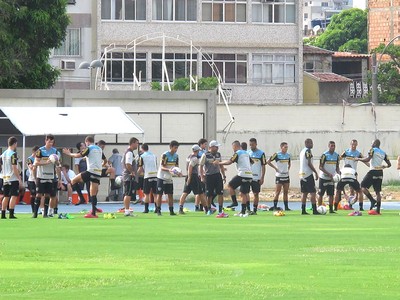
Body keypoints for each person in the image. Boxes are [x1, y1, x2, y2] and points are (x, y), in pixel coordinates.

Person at [63, 136, 103, 218]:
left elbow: (78, 155)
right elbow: (104, 160)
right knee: (93, 193)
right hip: (98, 172)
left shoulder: (89, 148)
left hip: (90, 171)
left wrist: (68, 154)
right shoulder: (99, 149)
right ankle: (93, 213)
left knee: (73, 181)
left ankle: (82, 199)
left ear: (87, 142)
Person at [215, 140, 253, 217]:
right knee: (244, 193)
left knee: (230, 186)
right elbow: (252, 162)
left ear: (235, 146)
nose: (233, 149)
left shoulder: (238, 153)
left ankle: (234, 202)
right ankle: (242, 212)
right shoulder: (246, 153)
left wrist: (218, 163)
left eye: (233, 147)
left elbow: (229, 162)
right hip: (249, 175)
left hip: (242, 174)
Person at [356, 139, 391, 214]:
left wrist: (358, 159)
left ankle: (372, 200)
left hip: (373, 171)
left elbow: (367, 159)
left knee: (362, 186)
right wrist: (384, 166)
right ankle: (378, 210)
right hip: (380, 172)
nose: (371, 144)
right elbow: (389, 164)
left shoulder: (372, 150)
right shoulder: (383, 153)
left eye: (372, 142)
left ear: (375, 143)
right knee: (377, 192)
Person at [33, 134, 62, 218]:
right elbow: (36, 163)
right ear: (45, 141)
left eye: (52, 142)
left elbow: (58, 165)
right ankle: (35, 213)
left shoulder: (55, 152)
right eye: (49, 141)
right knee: (38, 195)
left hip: (50, 176)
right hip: (41, 176)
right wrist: (46, 162)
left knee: (48, 195)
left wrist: (56, 162)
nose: (50, 143)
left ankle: (45, 214)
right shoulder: (40, 151)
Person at [199, 140, 228, 218]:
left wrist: (224, 175)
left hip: (217, 175)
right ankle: (209, 209)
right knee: (209, 194)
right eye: (216, 147)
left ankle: (220, 210)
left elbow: (221, 165)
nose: (217, 148)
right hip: (209, 176)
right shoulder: (205, 155)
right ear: (211, 147)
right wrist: (202, 176)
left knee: (220, 193)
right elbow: (201, 166)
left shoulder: (218, 154)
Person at [179, 144, 208, 215]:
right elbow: (190, 167)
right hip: (193, 177)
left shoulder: (189, 157)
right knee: (201, 193)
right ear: (197, 150)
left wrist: (188, 177)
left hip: (189, 176)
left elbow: (188, 167)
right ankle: (207, 209)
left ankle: (180, 208)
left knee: (185, 192)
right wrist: (190, 177)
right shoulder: (195, 158)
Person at [340, 139, 368, 208]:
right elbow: (339, 158)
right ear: (350, 144)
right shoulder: (346, 152)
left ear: (356, 145)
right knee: (341, 188)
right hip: (345, 173)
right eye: (352, 144)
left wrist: (371, 166)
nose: (353, 146)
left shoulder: (358, 153)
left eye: (355, 145)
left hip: (353, 173)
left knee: (354, 189)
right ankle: (347, 203)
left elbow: (365, 160)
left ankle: (357, 206)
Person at [156, 140, 181, 216]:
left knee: (170, 194)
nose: (176, 149)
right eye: (175, 148)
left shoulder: (176, 156)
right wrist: (169, 170)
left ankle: (171, 211)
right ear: (171, 147)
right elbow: (162, 167)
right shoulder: (165, 155)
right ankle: (158, 210)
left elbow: (176, 167)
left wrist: (178, 173)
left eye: (177, 148)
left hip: (169, 177)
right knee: (159, 194)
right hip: (161, 177)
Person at [1, 136, 22, 219]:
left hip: (5, 177)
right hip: (13, 178)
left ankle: (3, 214)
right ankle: (11, 213)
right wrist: (19, 178)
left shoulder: (3, 154)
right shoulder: (13, 154)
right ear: (15, 143)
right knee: (13, 195)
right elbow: (14, 167)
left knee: (6, 196)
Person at [267, 142, 291, 211]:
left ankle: (286, 207)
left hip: (286, 175)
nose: (286, 148)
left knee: (286, 192)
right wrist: (276, 168)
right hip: (279, 176)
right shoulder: (277, 154)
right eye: (285, 147)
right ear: (281, 147)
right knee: (277, 192)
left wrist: (288, 169)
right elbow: (268, 161)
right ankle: (275, 206)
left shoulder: (288, 155)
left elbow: (289, 163)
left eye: (287, 147)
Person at [318, 141, 340, 214]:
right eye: (331, 146)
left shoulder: (337, 155)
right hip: (323, 177)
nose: (333, 147)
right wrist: (328, 173)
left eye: (334, 146)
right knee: (321, 194)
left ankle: (331, 209)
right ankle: (319, 208)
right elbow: (320, 167)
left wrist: (338, 173)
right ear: (328, 146)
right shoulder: (324, 155)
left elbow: (337, 166)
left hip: (332, 178)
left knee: (331, 194)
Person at [299, 138, 320, 215]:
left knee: (304, 193)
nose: (312, 144)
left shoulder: (302, 151)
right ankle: (314, 210)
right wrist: (315, 172)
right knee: (313, 192)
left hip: (301, 174)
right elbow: (309, 163)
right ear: (307, 143)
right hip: (307, 174)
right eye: (311, 143)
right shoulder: (308, 151)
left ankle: (303, 210)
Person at [247, 138, 266, 215]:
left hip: (257, 177)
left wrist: (262, 177)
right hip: (248, 176)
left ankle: (254, 210)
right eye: (250, 145)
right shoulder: (247, 153)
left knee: (256, 194)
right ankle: (247, 209)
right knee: (246, 193)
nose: (251, 146)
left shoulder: (261, 153)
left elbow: (263, 166)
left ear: (256, 144)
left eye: (252, 144)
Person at [137, 143, 157, 213]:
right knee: (155, 194)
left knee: (146, 194)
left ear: (142, 149)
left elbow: (140, 168)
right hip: (155, 175)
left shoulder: (142, 156)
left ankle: (146, 209)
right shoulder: (154, 155)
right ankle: (157, 208)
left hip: (147, 176)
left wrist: (136, 175)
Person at [121, 137, 139, 217]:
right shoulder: (129, 153)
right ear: (133, 143)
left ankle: (127, 209)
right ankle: (127, 211)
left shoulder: (128, 152)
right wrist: (132, 172)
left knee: (127, 193)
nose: (138, 145)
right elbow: (128, 164)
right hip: (129, 176)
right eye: (137, 143)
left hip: (127, 175)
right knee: (128, 193)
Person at [195, 138, 208, 211]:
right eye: (205, 144)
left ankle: (201, 206)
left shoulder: (205, 152)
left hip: (204, 173)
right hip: (200, 173)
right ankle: (197, 206)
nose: (206, 145)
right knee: (200, 191)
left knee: (203, 191)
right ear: (201, 144)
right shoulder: (199, 152)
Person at [26, 145, 39, 213]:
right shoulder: (29, 159)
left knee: (39, 194)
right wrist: (36, 165)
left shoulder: (39, 158)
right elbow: (31, 166)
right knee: (33, 194)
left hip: (38, 178)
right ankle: (33, 210)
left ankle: (38, 209)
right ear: (34, 152)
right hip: (31, 179)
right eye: (37, 152)